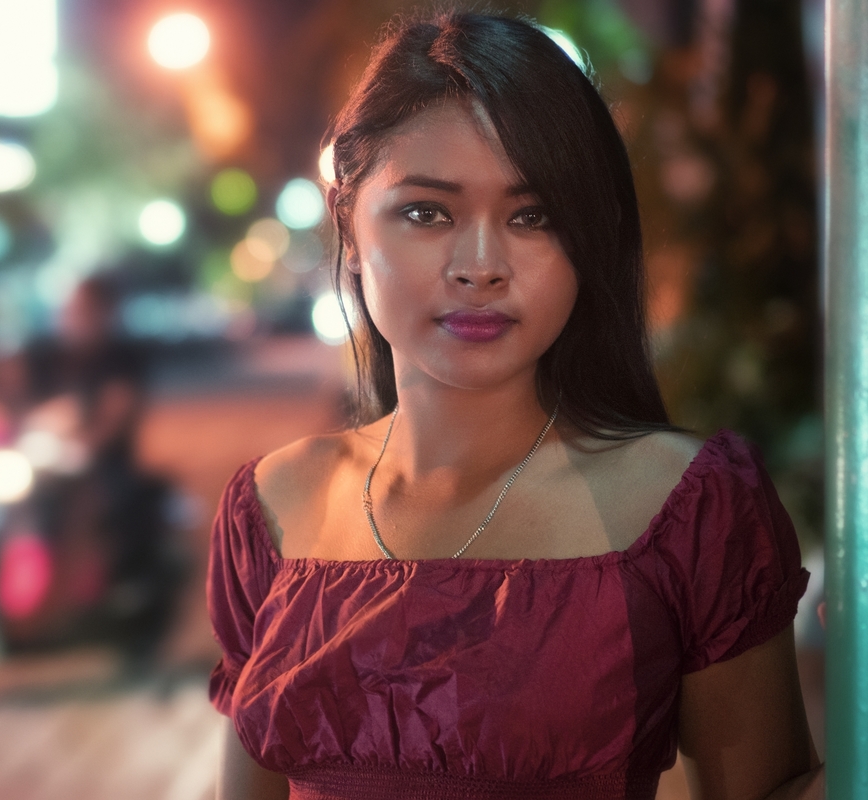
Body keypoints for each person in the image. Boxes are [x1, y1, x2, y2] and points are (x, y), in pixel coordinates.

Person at [207, 11, 823, 800]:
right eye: (428, 212)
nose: (482, 265)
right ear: (351, 232)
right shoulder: (270, 507)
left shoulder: (688, 509)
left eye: (533, 217)